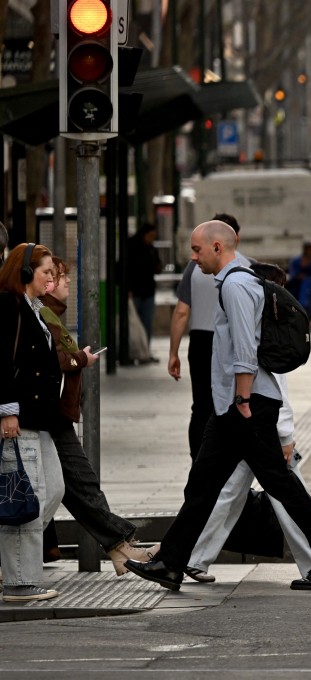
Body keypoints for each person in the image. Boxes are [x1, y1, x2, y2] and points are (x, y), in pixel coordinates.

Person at [124, 221, 311, 591]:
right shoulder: (234, 282)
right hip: (232, 407)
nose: (193, 258)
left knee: (280, 483)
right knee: (203, 485)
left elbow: (244, 348)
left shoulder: (237, 286)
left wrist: (241, 398)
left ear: (217, 247)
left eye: (197, 251)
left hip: (247, 405)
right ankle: (171, 564)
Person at [184, 263, 311, 587]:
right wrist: (286, 436)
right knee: (288, 497)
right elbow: (277, 390)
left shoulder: (244, 323)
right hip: (261, 426)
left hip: (240, 420)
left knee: (227, 493)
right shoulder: (266, 332)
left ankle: (194, 558)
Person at [39, 256, 155, 574]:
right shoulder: (38, 313)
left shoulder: (44, 313)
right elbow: (52, 360)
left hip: (55, 414)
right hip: (45, 414)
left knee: (73, 484)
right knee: (64, 486)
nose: (62, 282)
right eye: (53, 275)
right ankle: (117, 544)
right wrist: (80, 359)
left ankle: (118, 546)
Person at [0, 242, 65, 602]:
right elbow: (2, 362)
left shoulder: (34, 308)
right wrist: (7, 410)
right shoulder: (9, 306)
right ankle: (19, 580)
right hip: (19, 416)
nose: (51, 279)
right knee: (25, 496)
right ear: (25, 272)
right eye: (45, 272)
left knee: (53, 488)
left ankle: (13, 564)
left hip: (38, 418)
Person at [168, 213, 251, 460]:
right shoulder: (249, 267)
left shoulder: (193, 270)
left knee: (201, 407)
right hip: (231, 342)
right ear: (236, 237)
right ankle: (225, 459)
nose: (195, 255)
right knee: (228, 404)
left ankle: (200, 459)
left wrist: (173, 353)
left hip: (201, 341)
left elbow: (182, 311)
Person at [126, 222, 161, 358]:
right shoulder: (132, 247)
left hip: (148, 291)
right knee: (135, 321)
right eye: (150, 236)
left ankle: (145, 350)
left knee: (146, 321)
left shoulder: (152, 248)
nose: (152, 239)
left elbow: (157, 266)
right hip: (135, 291)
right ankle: (135, 350)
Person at [287, 241, 311, 331]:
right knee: (305, 287)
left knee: (308, 286)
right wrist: (302, 268)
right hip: (297, 287)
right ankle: (309, 315)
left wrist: (308, 280)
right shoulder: (297, 261)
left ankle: (304, 309)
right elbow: (292, 274)